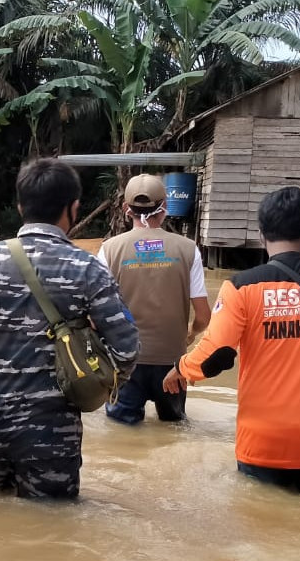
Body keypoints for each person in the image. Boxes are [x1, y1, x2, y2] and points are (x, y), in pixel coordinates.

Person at [0, 158, 139, 499]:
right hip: (53, 426)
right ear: (73, 208)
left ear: (20, 207)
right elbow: (126, 350)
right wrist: (92, 382)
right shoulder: (88, 269)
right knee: (51, 519)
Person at [162, 186, 300, 497]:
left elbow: (217, 355)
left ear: (261, 233)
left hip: (264, 441)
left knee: (261, 521)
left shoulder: (240, 287)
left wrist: (181, 368)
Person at [97, 174, 210, 425]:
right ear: (165, 207)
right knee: (173, 429)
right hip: (172, 363)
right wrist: (191, 333)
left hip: (125, 360)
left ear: (126, 209)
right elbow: (204, 317)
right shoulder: (188, 249)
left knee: (122, 433)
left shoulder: (109, 250)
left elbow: (98, 312)